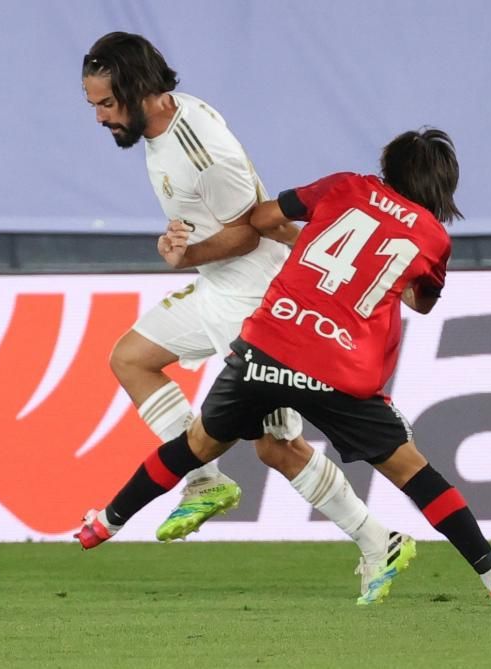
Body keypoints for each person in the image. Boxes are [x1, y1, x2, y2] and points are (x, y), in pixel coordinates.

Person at [76, 127, 491, 607]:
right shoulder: (434, 238)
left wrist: (309, 237)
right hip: (342, 368)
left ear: (388, 166)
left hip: (270, 345)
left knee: (198, 445)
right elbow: (420, 302)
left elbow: (262, 216)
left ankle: (105, 522)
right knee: (412, 472)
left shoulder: (346, 186)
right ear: (444, 189)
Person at [82, 32, 414, 605]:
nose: (100, 117)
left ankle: (377, 539)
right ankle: (205, 479)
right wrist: (182, 244)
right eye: (94, 106)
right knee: (131, 357)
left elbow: (251, 229)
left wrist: (185, 254)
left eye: (106, 104)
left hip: (258, 303)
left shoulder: (204, 149)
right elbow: (212, 227)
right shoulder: (160, 127)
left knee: (277, 448)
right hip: (217, 289)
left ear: (139, 92)